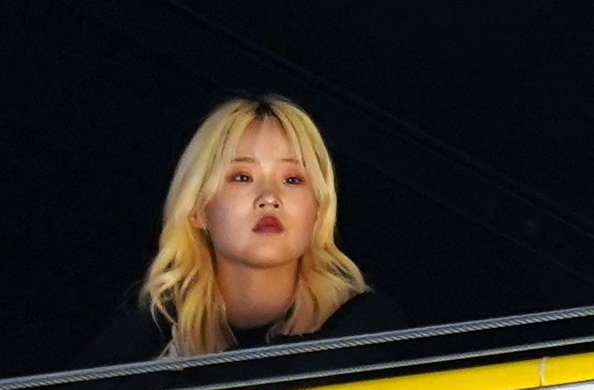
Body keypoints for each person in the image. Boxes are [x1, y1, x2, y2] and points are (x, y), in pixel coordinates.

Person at [69, 94, 406, 370]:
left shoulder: (370, 333)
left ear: (318, 210)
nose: (269, 198)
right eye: (242, 177)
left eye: (293, 179)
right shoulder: (144, 342)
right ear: (198, 209)